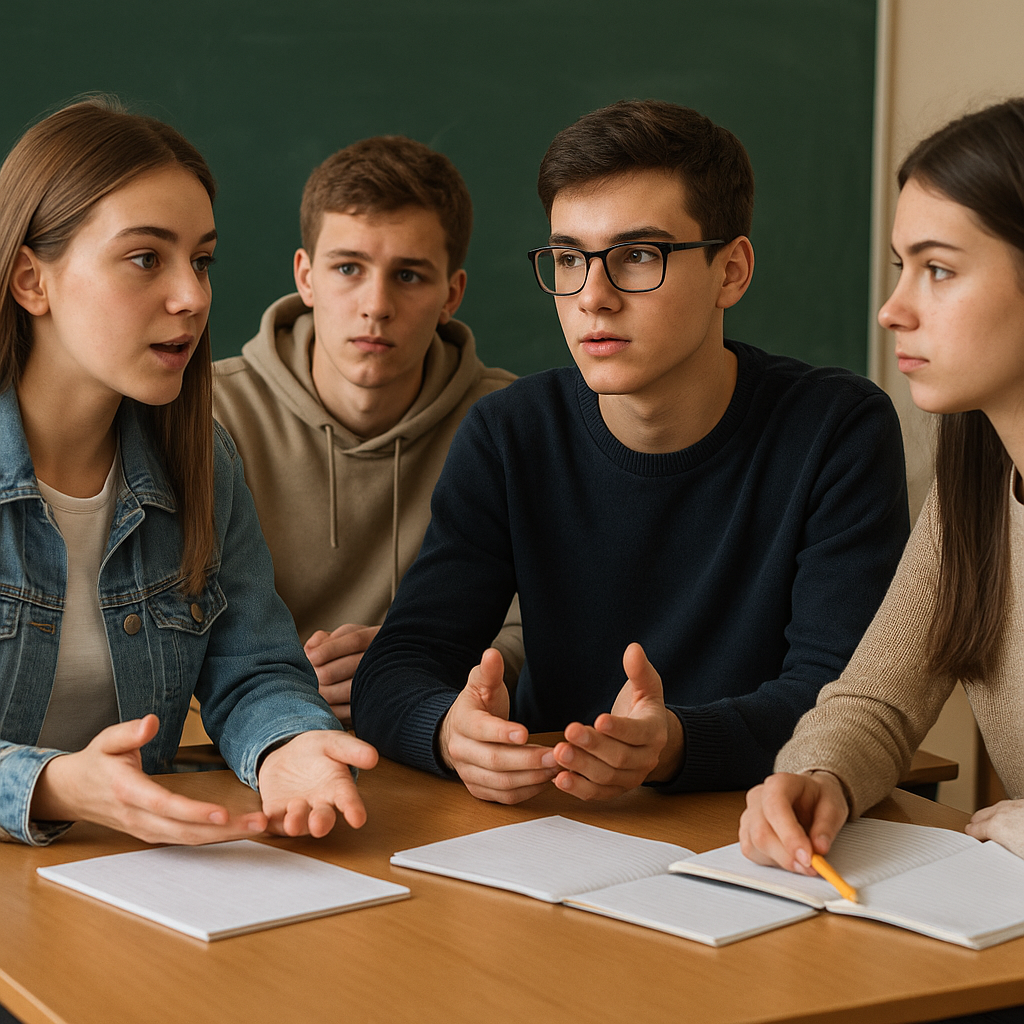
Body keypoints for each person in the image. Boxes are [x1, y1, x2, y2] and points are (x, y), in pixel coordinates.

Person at [350, 99, 910, 803]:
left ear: (731, 271)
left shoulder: (837, 430)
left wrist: (674, 744)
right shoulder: (509, 433)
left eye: (639, 256)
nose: (594, 297)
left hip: (760, 820)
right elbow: (398, 664)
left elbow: (841, 698)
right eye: (569, 259)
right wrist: (447, 732)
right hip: (557, 823)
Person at [0, 97, 377, 847]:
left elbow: (253, 669)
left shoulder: (200, 458)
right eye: (146, 258)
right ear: (31, 281)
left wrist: (289, 746)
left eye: (201, 261)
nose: (193, 296)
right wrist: (53, 785)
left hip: (137, 878)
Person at [740, 98, 1024, 877]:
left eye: (939, 270)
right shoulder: (975, 489)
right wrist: (817, 776)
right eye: (903, 267)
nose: (892, 310)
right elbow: (879, 700)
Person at [212, 136, 522, 725]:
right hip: (242, 743)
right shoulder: (207, 415)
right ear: (306, 277)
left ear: (452, 294)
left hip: (439, 731)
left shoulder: (512, 426)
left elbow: (545, 621)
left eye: (409, 275)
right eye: (348, 268)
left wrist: (416, 663)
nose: (376, 305)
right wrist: (277, 685)